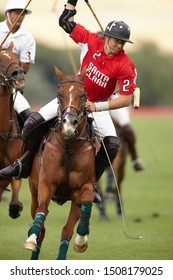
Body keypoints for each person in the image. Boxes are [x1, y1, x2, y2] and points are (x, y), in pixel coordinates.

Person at [0, 0, 138, 202]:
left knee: (113, 144)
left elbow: (126, 99)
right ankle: (23, 163)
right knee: (31, 122)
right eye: (116, 40)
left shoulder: (125, 65)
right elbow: (65, 22)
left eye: (122, 42)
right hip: (71, 99)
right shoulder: (91, 41)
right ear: (106, 37)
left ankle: (93, 181)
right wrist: (72, 1)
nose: (119, 45)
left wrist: (99, 106)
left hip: (96, 106)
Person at [0, 0, 36, 124]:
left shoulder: (27, 37)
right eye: (16, 13)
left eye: (22, 13)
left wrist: (10, 58)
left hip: (10, 86)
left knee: (28, 115)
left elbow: (25, 68)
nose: (19, 16)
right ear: (8, 13)